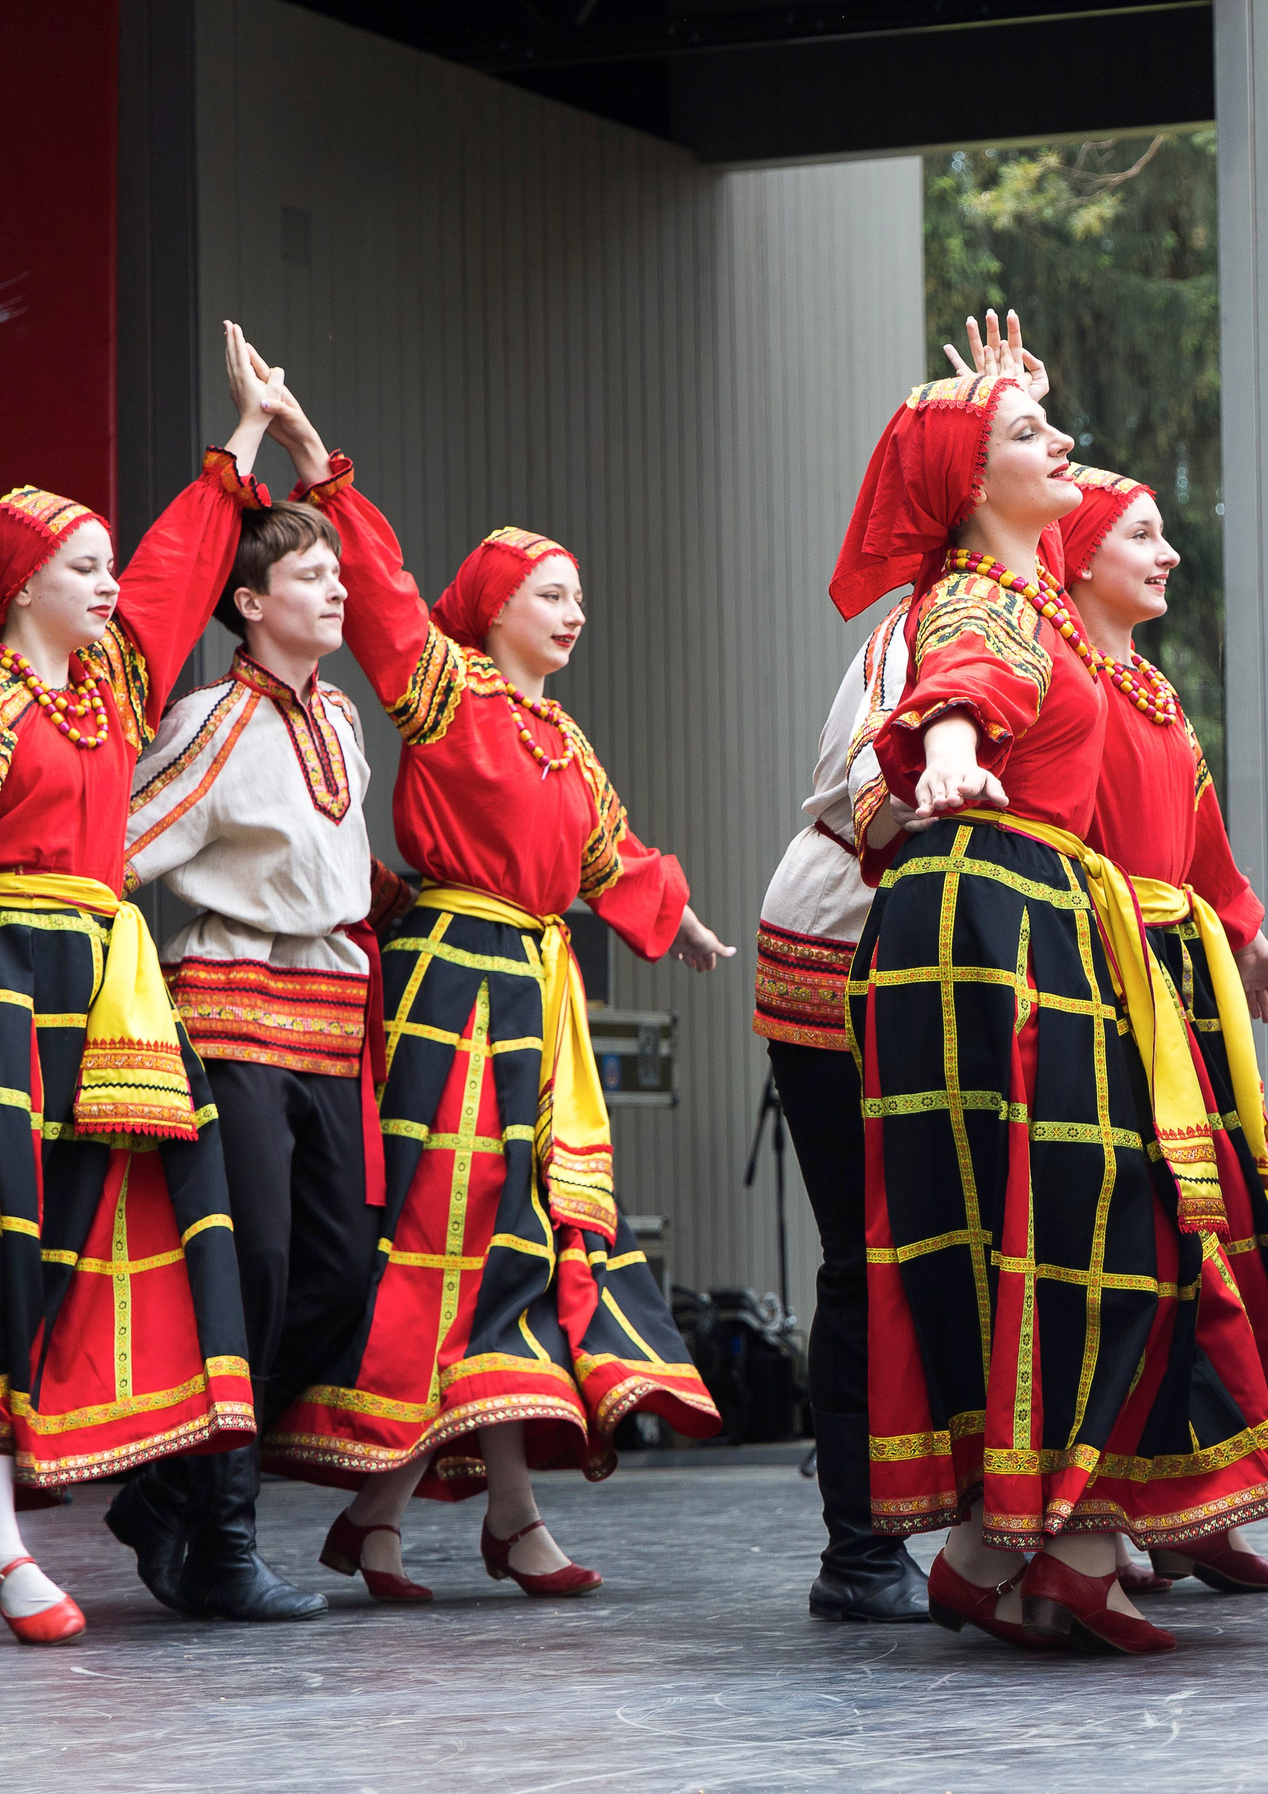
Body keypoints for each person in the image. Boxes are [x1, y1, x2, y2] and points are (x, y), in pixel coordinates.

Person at [834, 358, 1268, 1659]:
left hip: (1027, 908)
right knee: (1067, 1226)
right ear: (973, 485)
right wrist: (959, 748)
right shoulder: (980, 598)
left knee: (1076, 1227)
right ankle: (1027, 1549)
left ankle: (1034, 1550)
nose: (1067, 445)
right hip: (991, 911)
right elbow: (963, 679)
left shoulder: (1028, 593)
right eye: (1034, 435)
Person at [262, 395, 731, 1598]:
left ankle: (454, 1517)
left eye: (577, 599)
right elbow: (383, 593)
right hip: (453, 990)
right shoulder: (444, 689)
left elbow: (608, 860)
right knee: (444, 1231)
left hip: (532, 996)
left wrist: (673, 919)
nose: (574, 615)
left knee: (512, 1240)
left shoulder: (565, 741)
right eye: (551, 596)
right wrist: (327, 478)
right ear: (494, 608)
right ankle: (441, 1515)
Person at [0, 322, 283, 1642]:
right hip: (4, 979)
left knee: (92, 1241)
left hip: (101, 994)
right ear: (23, 583)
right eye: (83, 565)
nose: (111, 583)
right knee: (3, 1241)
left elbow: (180, 566)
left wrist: (242, 440)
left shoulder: (110, 683)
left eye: (108, 563)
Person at [111, 381, 392, 1625]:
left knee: (341, 1277)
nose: (335, 591)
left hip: (331, 1016)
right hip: (227, 1005)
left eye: (338, 576)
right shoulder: (212, 720)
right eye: (308, 579)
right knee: (257, 1270)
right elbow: (119, 847)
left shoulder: (342, 718)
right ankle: (219, 1537)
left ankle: (173, 1494)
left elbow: (341, 870)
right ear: (249, 604)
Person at [1052, 456, 1268, 1597]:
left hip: (1180, 976)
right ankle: (1126, 1505)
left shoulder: (1147, 686)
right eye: (1144, 537)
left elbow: (1199, 841)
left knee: (1220, 1233)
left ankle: (1194, 1503)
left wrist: (1243, 931)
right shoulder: (1064, 685)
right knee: (1151, 1238)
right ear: (1081, 555)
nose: (1167, 556)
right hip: (1107, 973)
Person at [754, 577, 931, 1624]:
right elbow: (875, 780)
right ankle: (860, 1547)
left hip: (943, 947)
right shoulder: (929, 620)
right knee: (867, 1256)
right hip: (848, 939)